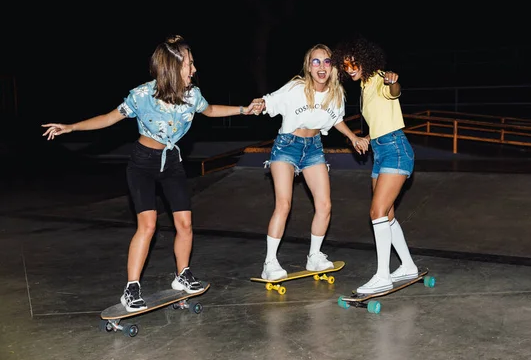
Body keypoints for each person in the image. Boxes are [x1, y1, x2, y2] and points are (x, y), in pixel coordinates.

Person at [42, 35, 259, 312]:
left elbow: (211, 109)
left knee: (185, 224)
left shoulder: (193, 95)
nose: (194, 69)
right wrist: (71, 127)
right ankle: (131, 288)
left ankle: (182, 275)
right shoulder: (141, 96)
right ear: (172, 67)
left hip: (172, 163)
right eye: (189, 64)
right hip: (142, 164)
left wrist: (244, 110)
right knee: (148, 225)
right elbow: (109, 118)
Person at [250, 43, 369, 281]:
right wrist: (260, 103)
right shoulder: (296, 88)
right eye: (316, 62)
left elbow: (336, 119)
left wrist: (353, 137)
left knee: (324, 206)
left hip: (314, 149)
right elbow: (270, 101)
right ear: (309, 67)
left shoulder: (336, 94)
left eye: (326, 61)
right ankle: (269, 263)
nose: (321, 66)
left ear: (332, 67)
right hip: (287, 146)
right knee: (283, 204)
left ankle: (314, 257)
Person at [333, 36, 418, 294]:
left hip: (395, 151)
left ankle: (383, 275)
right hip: (381, 151)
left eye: (353, 63)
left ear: (365, 60)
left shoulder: (380, 77)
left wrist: (393, 81)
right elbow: (382, 120)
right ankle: (408, 266)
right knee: (387, 214)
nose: (350, 69)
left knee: (376, 212)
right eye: (345, 66)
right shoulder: (364, 87)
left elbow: (394, 91)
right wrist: (367, 138)